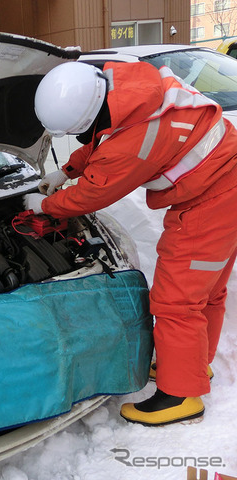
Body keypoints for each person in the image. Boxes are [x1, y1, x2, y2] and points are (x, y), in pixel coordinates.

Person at [25, 60, 237, 426]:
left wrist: (44, 205)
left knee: (175, 302)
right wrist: (69, 169)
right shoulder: (125, 86)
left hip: (214, 201)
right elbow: (104, 136)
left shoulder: (136, 143)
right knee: (207, 291)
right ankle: (192, 362)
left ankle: (181, 396)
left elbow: (93, 193)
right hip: (225, 183)